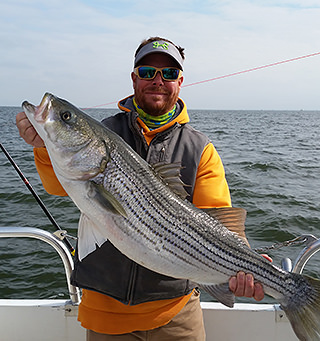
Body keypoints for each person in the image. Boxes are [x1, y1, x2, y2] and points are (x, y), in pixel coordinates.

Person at [16, 37, 265, 340]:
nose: (158, 81)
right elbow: (59, 186)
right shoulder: (105, 131)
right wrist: (44, 146)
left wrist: (248, 263)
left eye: (168, 74)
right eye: (147, 72)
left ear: (180, 82)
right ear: (134, 78)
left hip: (177, 314)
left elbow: (218, 220)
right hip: (106, 313)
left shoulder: (200, 148)